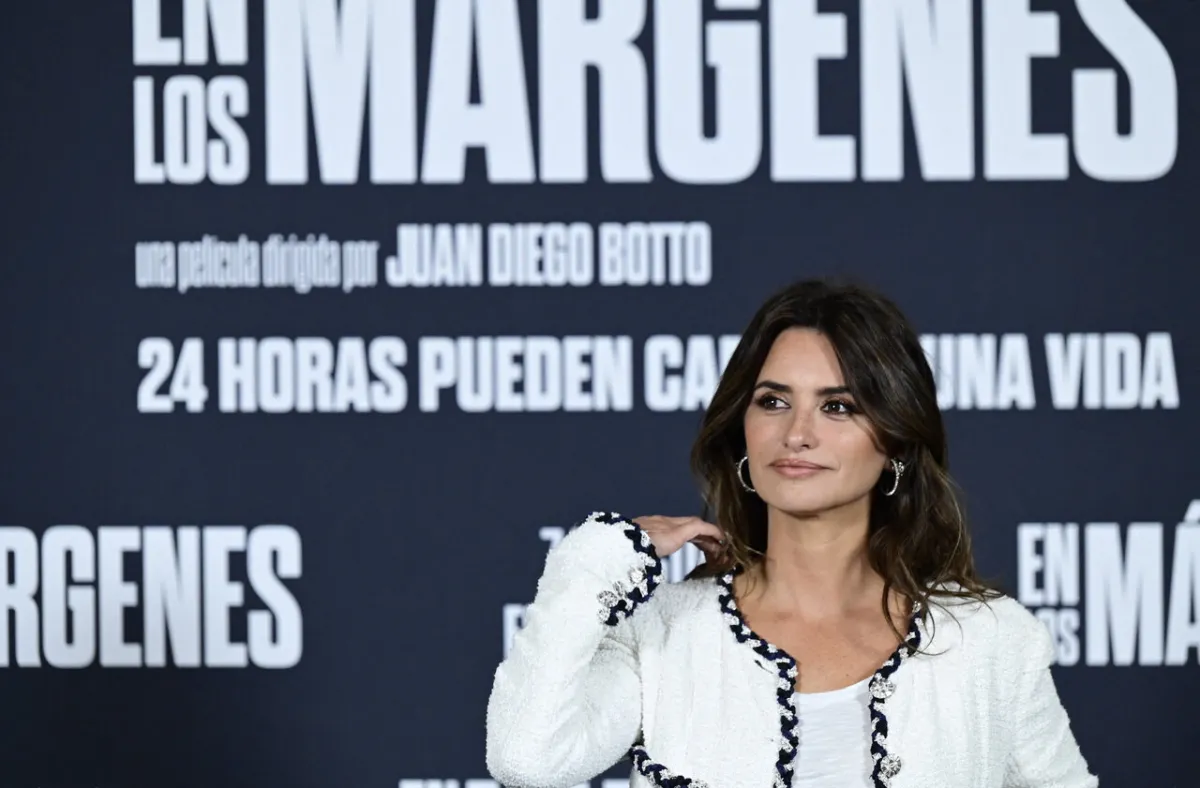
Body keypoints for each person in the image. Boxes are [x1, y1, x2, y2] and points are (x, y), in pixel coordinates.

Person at [485, 279, 1098, 788]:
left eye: (838, 407)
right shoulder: (663, 633)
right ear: (742, 428)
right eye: (774, 402)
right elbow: (526, 760)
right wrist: (596, 557)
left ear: (895, 444)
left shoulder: (989, 640)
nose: (797, 433)